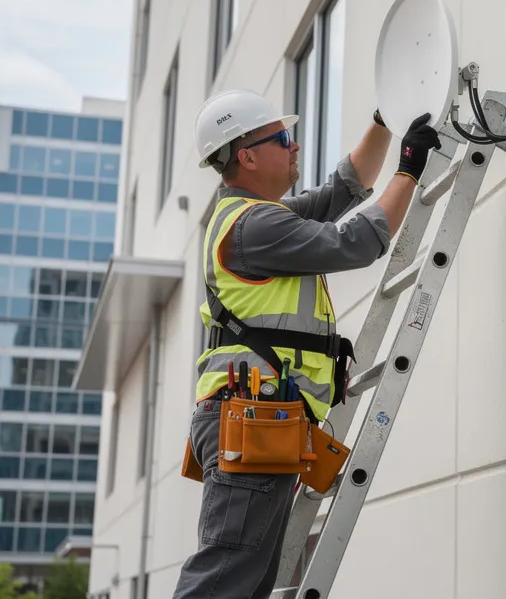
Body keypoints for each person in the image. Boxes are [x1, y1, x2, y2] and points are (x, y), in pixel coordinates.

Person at [171, 89, 442, 599]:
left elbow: (343, 191)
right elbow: (357, 242)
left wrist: (383, 120)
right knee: (224, 579)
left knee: (245, 581)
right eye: (282, 138)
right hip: (251, 419)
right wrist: (410, 168)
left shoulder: (255, 216)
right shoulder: (256, 225)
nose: (294, 146)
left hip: (258, 420)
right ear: (247, 155)